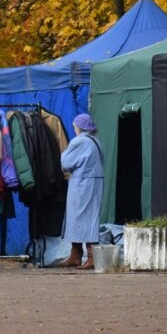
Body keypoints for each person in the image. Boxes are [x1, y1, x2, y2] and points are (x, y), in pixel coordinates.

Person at [58, 113, 104, 270]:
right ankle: (76, 254)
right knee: (87, 216)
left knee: (80, 217)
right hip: (94, 182)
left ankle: (88, 256)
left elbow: (66, 162)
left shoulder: (80, 141)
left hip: (82, 183)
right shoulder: (95, 141)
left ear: (79, 127)